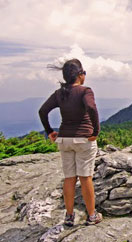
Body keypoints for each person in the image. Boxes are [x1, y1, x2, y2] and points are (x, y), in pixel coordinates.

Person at [38, 59, 102, 226]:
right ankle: (92, 215)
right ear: (80, 75)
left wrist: (50, 131)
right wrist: (95, 131)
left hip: (64, 139)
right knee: (85, 177)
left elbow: (42, 110)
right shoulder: (85, 91)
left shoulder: (60, 93)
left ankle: (69, 216)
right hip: (83, 139)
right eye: (84, 73)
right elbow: (92, 108)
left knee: (69, 178)